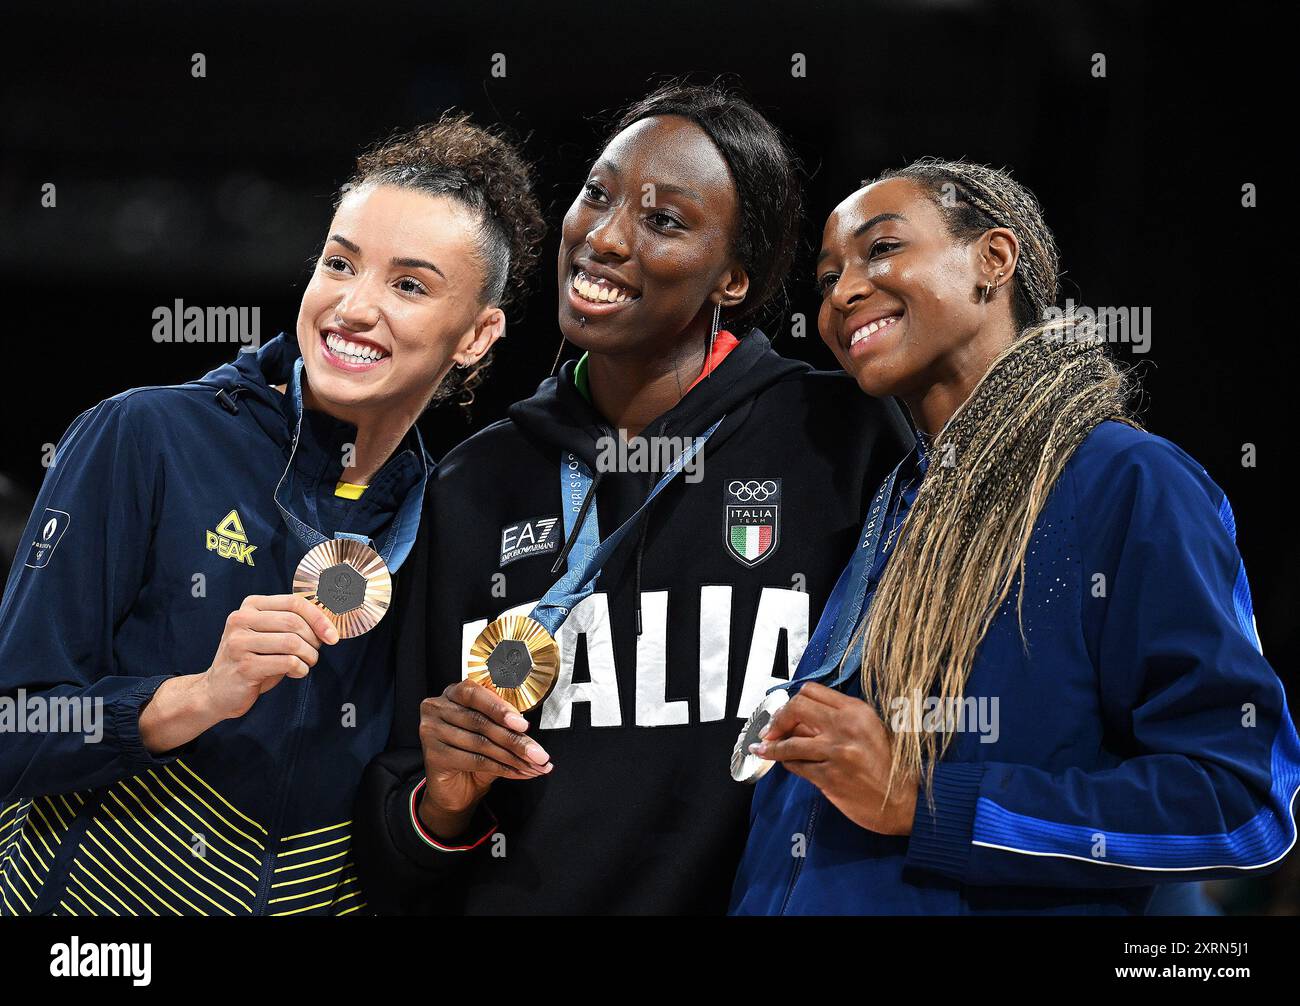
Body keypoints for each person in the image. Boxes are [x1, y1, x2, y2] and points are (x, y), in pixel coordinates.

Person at [353, 82, 911, 914]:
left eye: (664, 221)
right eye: (598, 194)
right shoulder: (475, 484)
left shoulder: (844, 440)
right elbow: (397, 851)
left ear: (733, 278)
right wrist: (443, 801)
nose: (605, 237)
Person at [0, 114, 544, 916]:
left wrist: (448, 799)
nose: (354, 308)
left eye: (409, 285)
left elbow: (401, 841)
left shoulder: (450, 519)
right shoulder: (147, 437)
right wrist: (194, 697)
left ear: (476, 335)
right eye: (339, 264)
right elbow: (15, 727)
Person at [729, 158, 1300, 915]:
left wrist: (924, 802)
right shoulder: (899, 503)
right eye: (828, 277)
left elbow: (1239, 804)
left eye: (883, 249)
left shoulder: (1125, 480)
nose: (843, 293)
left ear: (993, 260)